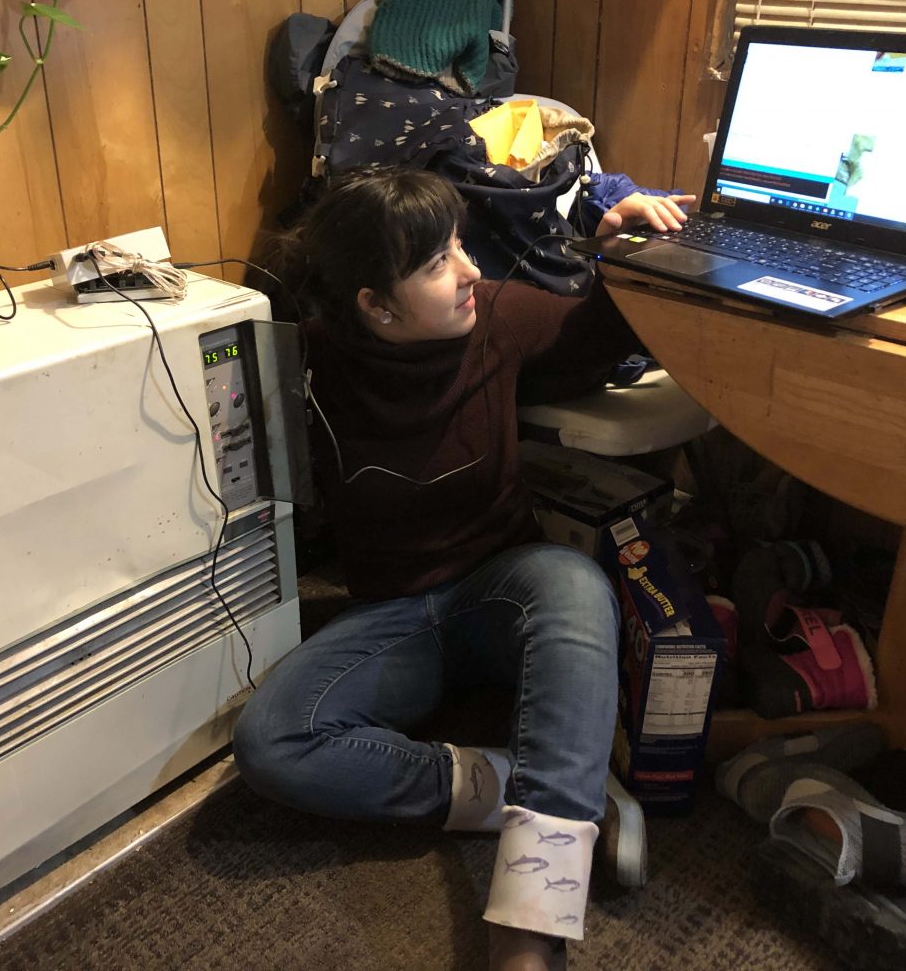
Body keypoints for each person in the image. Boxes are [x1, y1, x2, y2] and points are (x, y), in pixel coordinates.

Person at [232, 166, 695, 971]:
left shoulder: (497, 318)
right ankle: (549, 789)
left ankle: (528, 929)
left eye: (459, 245)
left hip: (504, 588)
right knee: (271, 743)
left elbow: (595, 336)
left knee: (575, 584)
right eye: (437, 262)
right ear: (376, 305)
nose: (471, 269)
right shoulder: (308, 364)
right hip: (392, 618)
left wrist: (617, 255)